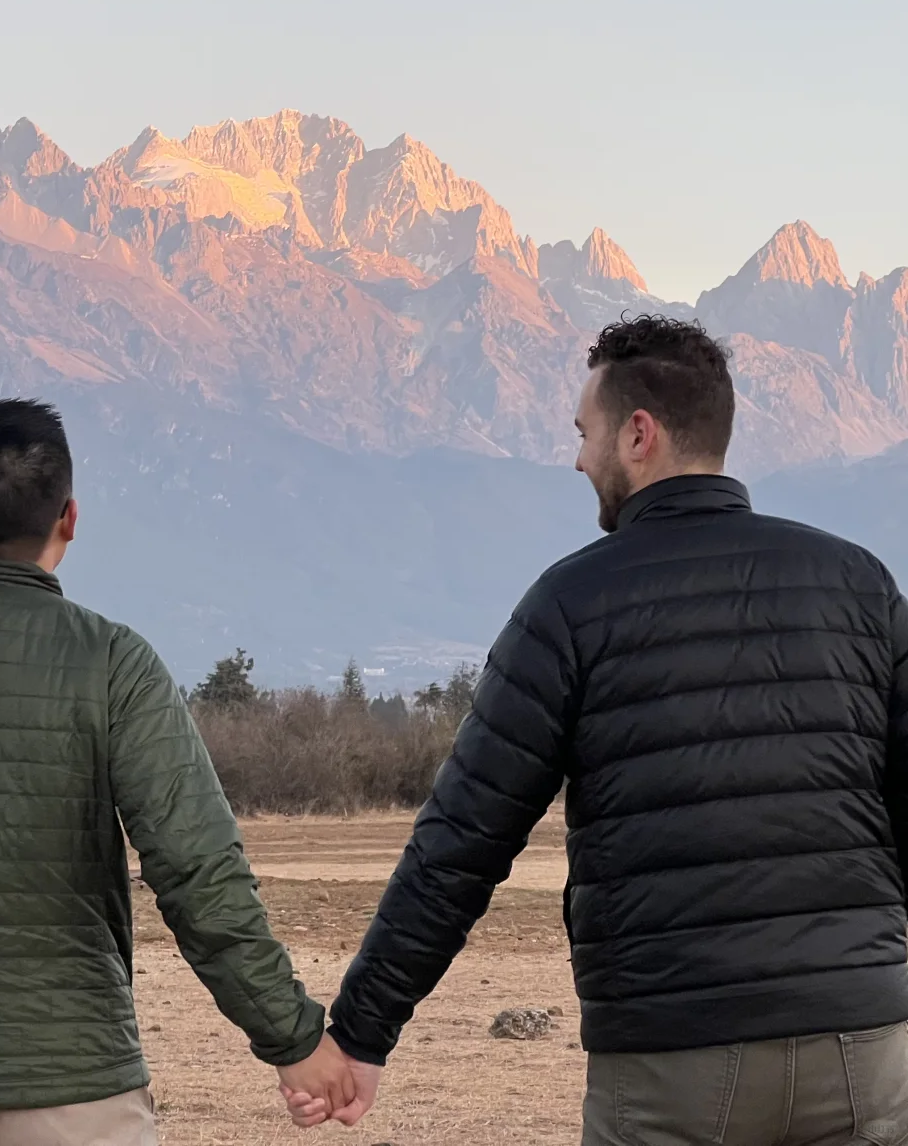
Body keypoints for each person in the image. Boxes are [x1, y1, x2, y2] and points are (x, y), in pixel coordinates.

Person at [292, 315, 908, 1142]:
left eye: (585, 433)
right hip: (864, 1048)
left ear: (638, 435)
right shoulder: (860, 585)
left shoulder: (570, 604)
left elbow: (461, 844)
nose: (579, 458)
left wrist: (363, 1033)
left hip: (672, 1054)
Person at [0, 399, 352, 1145]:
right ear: (69, 519)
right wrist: (292, 1037)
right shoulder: (115, 663)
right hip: (84, 1088)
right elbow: (196, 869)